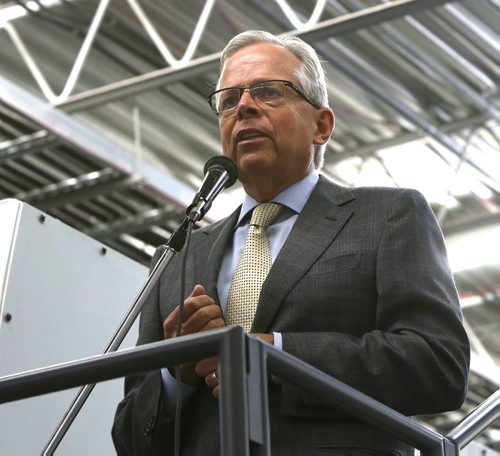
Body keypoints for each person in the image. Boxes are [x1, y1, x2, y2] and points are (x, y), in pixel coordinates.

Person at [112, 30, 470, 455]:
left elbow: (437, 364)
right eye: (229, 100)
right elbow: (132, 439)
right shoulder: (179, 257)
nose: (243, 106)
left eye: (267, 92)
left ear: (321, 125)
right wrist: (177, 374)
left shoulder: (389, 216)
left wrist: (274, 354)